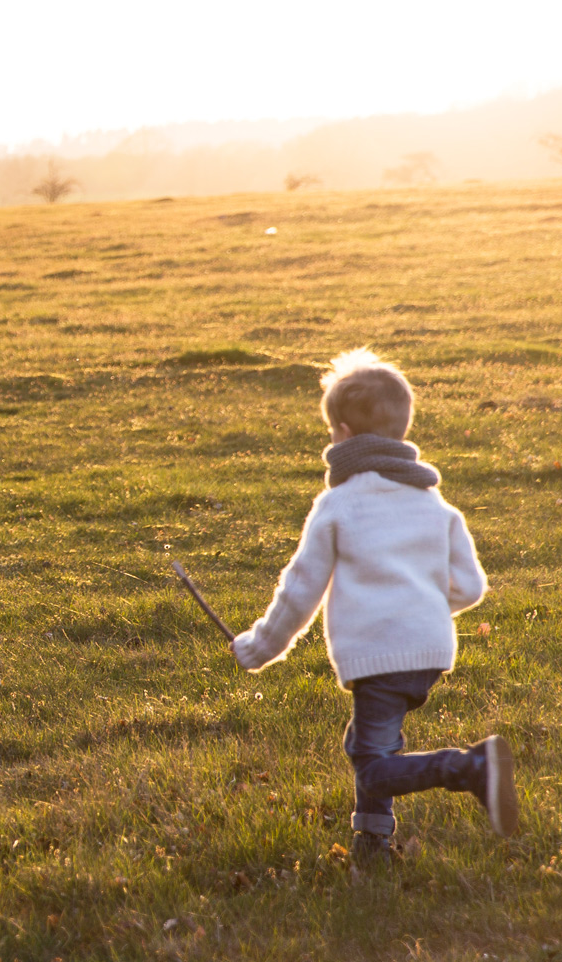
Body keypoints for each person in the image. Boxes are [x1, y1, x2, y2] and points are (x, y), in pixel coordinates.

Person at [232, 348, 514, 867]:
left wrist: (260, 647)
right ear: (403, 429)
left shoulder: (339, 504)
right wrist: (422, 609)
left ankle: (470, 767)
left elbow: (301, 588)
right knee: (366, 746)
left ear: (340, 433)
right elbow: (471, 587)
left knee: (372, 766)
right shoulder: (434, 504)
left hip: (379, 655)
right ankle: (372, 843)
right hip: (428, 651)